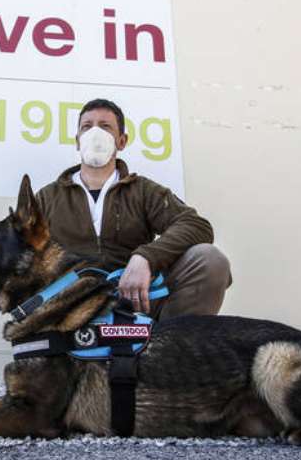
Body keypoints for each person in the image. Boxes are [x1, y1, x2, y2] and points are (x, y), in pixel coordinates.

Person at [36, 99, 232, 320]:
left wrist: (146, 257)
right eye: (87, 127)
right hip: (71, 307)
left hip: (137, 299)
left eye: (105, 126)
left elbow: (196, 225)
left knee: (209, 259)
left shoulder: (143, 191)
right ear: (78, 141)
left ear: (121, 141)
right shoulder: (48, 197)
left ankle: (171, 348)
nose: (95, 133)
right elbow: (17, 247)